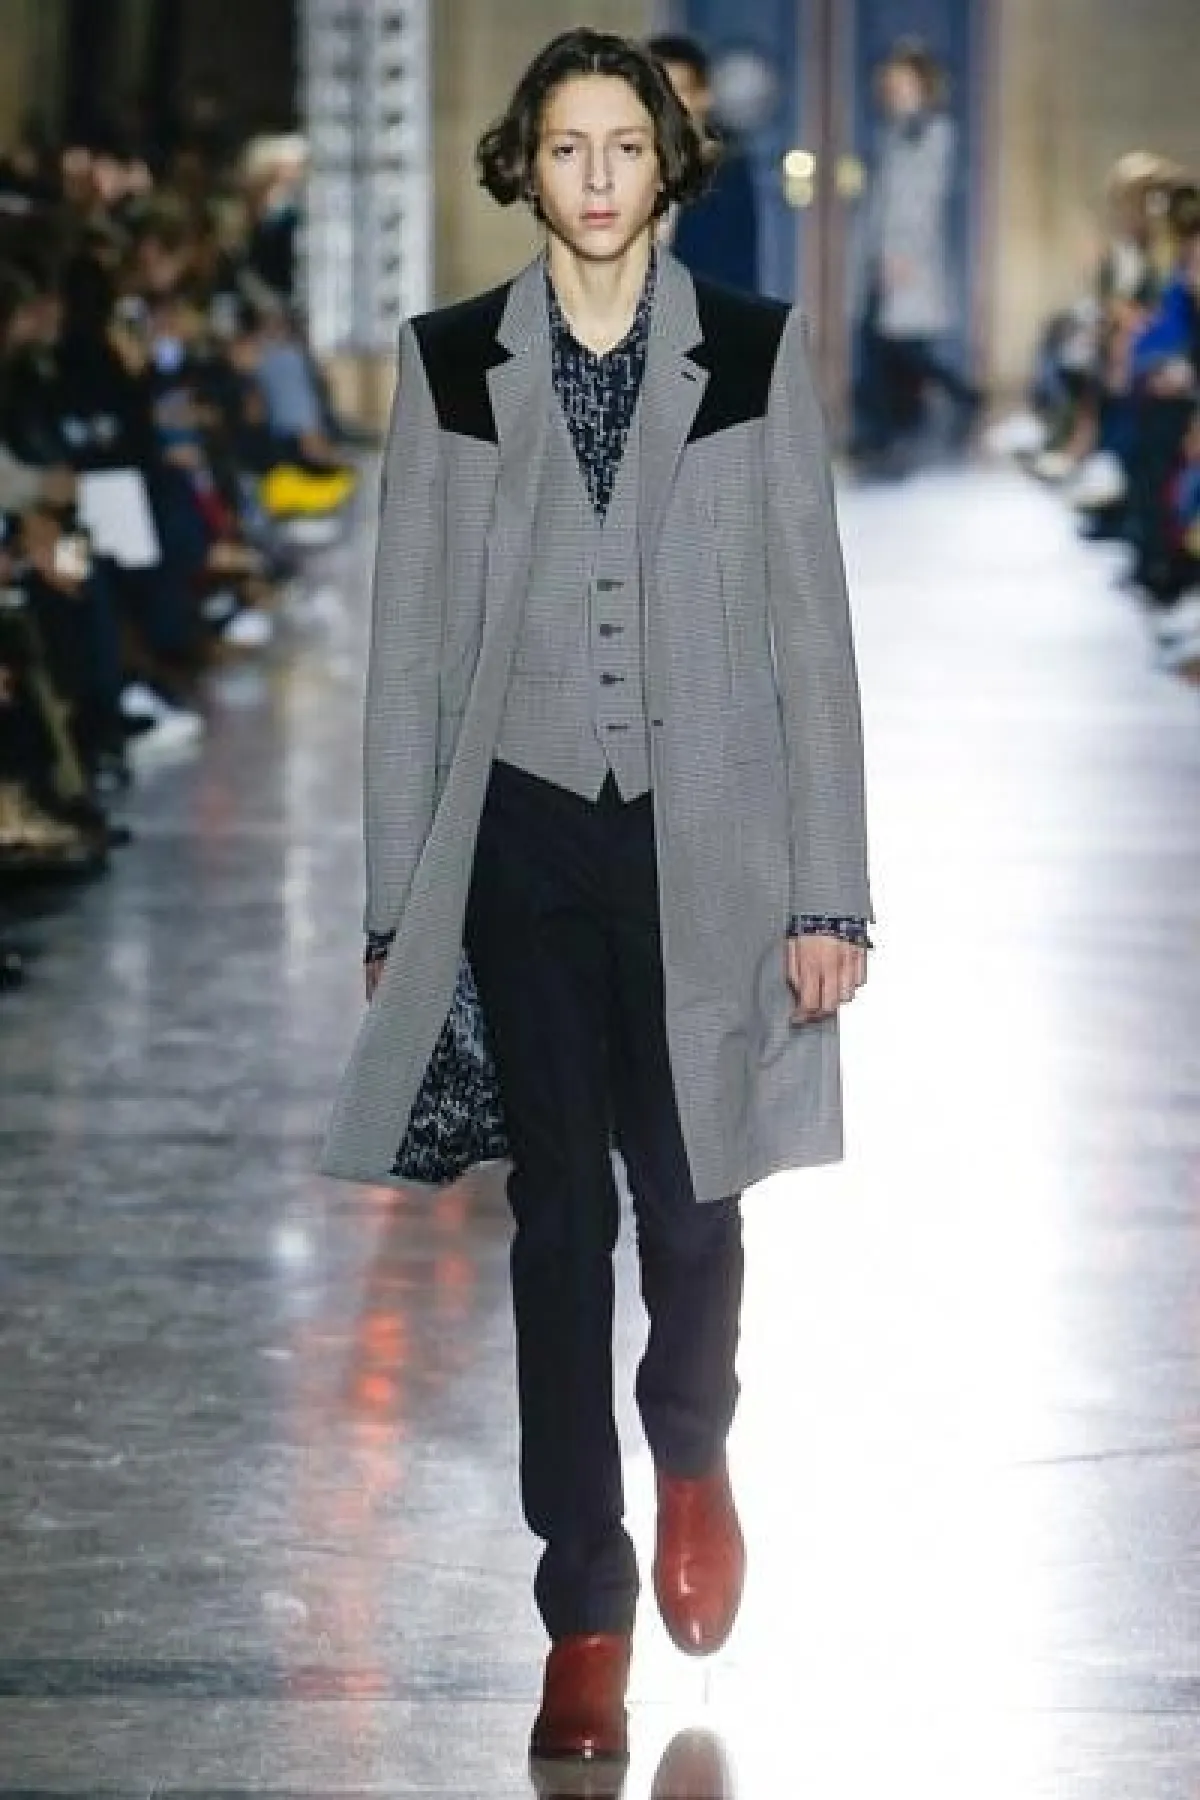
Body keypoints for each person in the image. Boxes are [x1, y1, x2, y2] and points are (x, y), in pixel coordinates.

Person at [320, 27, 872, 1782]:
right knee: (559, 1216)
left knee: (694, 1202)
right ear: (527, 167)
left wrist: (831, 892)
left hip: (709, 842)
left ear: (666, 161)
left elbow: (812, 637)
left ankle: (691, 1443)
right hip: (524, 836)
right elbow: (408, 650)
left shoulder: (755, 353)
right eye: (567, 147)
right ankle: (584, 1605)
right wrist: (397, 905)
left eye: (625, 144)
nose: (599, 176)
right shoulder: (453, 363)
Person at [853, 40, 980, 468]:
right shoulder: (894, 132)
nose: (895, 91)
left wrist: (903, 253)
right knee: (885, 345)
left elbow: (921, 201)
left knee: (900, 348)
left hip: (908, 255)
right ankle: (888, 435)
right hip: (882, 252)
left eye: (904, 83)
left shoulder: (933, 134)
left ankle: (951, 401)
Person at [647, 32, 760, 293]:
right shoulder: (614, 166)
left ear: (703, 97)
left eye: (678, 91)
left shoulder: (726, 173)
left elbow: (738, 275)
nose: (668, 105)